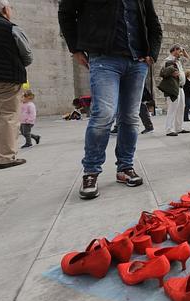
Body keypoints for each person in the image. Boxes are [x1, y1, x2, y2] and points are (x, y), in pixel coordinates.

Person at [59, 0, 162, 199]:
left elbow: (152, 22)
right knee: (103, 114)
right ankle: (91, 171)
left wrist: (152, 54)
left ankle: (125, 167)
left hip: (137, 62)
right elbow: (66, 12)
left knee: (130, 118)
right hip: (104, 59)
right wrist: (75, 48)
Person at [0, 0, 32, 169]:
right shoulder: (11, 28)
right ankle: (6, 158)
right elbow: (27, 55)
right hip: (7, 78)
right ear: (4, 9)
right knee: (8, 116)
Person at [163, 45, 190, 136]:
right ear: (174, 50)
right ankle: (169, 129)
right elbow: (164, 72)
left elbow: (187, 59)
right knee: (172, 108)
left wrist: (184, 50)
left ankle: (178, 127)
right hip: (173, 87)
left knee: (181, 107)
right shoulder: (168, 60)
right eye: (179, 51)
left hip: (180, 87)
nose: (181, 53)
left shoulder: (178, 61)